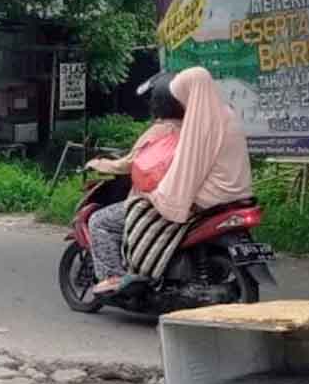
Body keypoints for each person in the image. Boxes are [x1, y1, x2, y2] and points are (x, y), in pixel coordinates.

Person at [83, 67, 252, 301]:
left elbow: (186, 169)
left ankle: (128, 275)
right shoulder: (227, 114)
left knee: (124, 216)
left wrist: (161, 196)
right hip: (237, 195)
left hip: (208, 198)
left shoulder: (196, 124)